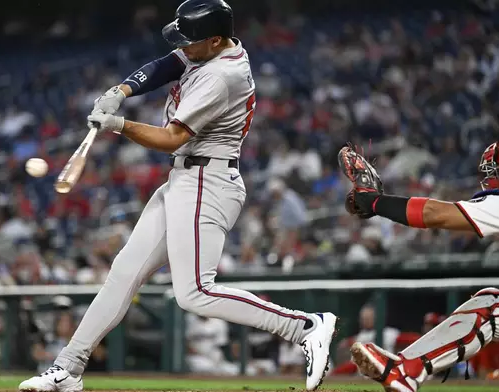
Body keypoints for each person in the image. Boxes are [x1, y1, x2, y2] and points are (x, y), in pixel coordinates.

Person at [18, 1, 336, 391]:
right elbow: (168, 64)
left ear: (215, 39)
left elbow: (171, 138)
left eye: (191, 40)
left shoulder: (222, 76)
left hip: (208, 180)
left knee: (195, 293)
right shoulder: (214, 49)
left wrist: (119, 124)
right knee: (123, 274)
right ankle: (68, 368)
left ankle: (305, 326)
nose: (184, 47)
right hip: (187, 179)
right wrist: (122, 90)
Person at [340, 136, 499, 392]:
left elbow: (434, 214)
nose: (495, 181)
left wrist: (374, 201)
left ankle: (407, 370)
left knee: (490, 308)